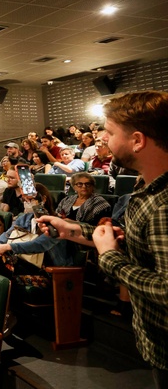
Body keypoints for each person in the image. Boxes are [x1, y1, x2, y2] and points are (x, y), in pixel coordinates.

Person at [36, 91, 168, 387]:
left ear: (137, 140)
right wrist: (73, 230)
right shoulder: (146, 186)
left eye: (109, 132)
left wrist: (110, 258)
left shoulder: (164, 204)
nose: (103, 139)